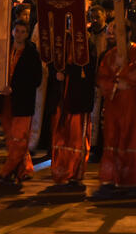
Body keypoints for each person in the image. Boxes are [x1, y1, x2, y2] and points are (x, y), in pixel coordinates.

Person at [93, 33, 136, 199]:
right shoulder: (110, 54)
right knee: (112, 140)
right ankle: (109, 181)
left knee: (132, 139)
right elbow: (102, 77)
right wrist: (117, 83)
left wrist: (122, 72)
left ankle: (133, 182)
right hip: (114, 104)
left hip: (134, 105)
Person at [0, 20, 43, 185]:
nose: (19, 34)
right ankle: (23, 169)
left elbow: (36, 79)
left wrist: (15, 88)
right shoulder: (5, 50)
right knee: (11, 138)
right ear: (13, 31)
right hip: (6, 102)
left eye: (23, 31)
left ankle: (7, 170)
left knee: (19, 138)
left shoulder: (31, 53)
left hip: (22, 102)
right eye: (17, 31)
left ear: (27, 34)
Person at [50, 43, 97, 189]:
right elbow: (53, 64)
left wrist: (68, 71)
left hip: (78, 103)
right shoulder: (61, 42)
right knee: (62, 139)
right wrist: (57, 73)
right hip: (62, 103)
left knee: (77, 140)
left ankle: (76, 173)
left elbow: (88, 74)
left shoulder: (88, 47)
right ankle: (61, 172)